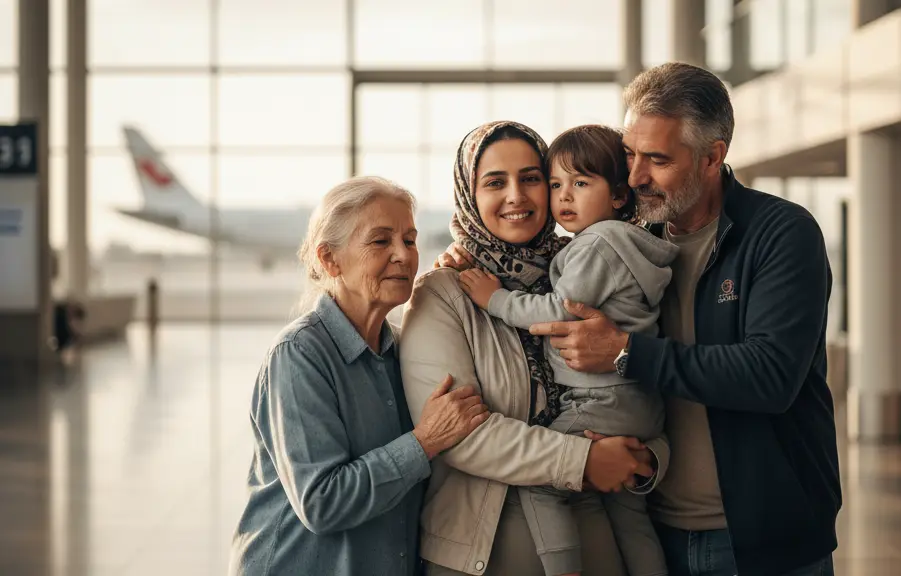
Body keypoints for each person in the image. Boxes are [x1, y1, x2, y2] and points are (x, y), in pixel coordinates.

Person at [438, 64, 842, 576]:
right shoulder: (637, 236)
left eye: (657, 159)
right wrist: (465, 256)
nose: (634, 176)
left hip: (762, 542)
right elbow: (541, 261)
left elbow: (770, 376)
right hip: (660, 522)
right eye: (629, 154)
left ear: (713, 156)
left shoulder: (780, 234)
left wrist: (626, 351)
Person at [399, 120, 669, 576]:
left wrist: (648, 458)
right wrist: (583, 461)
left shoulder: (582, 266)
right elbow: (461, 436)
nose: (516, 196)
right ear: (469, 194)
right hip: (485, 558)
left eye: (531, 178)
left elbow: (643, 382)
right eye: (494, 182)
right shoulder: (445, 292)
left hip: (600, 549)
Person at [228, 177, 490, 576]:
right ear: (330, 260)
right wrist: (424, 443)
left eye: (410, 239)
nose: (404, 255)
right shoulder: (299, 355)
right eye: (381, 241)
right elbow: (322, 502)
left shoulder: (403, 351)